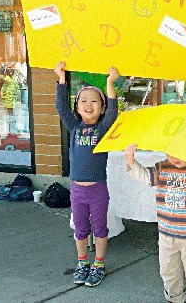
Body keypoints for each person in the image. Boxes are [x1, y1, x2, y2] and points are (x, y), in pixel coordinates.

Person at [124, 143, 186, 303]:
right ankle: (175, 298)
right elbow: (145, 177)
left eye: (181, 152)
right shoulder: (162, 167)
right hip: (166, 233)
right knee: (168, 271)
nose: (175, 158)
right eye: (171, 153)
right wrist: (131, 161)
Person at [54, 61, 119, 287]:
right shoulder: (74, 127)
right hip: (77, 190)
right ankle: (83, 262)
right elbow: (61, 108)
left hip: (98, 190)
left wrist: (110, 83)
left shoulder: (102, 130)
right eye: (83, 101)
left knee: (100, 228)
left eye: (94, 101)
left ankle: (99, 264)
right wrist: (61, 80)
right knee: (80, 229)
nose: (88, 104)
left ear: (100, 108)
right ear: (78, 106)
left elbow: (113, 111)